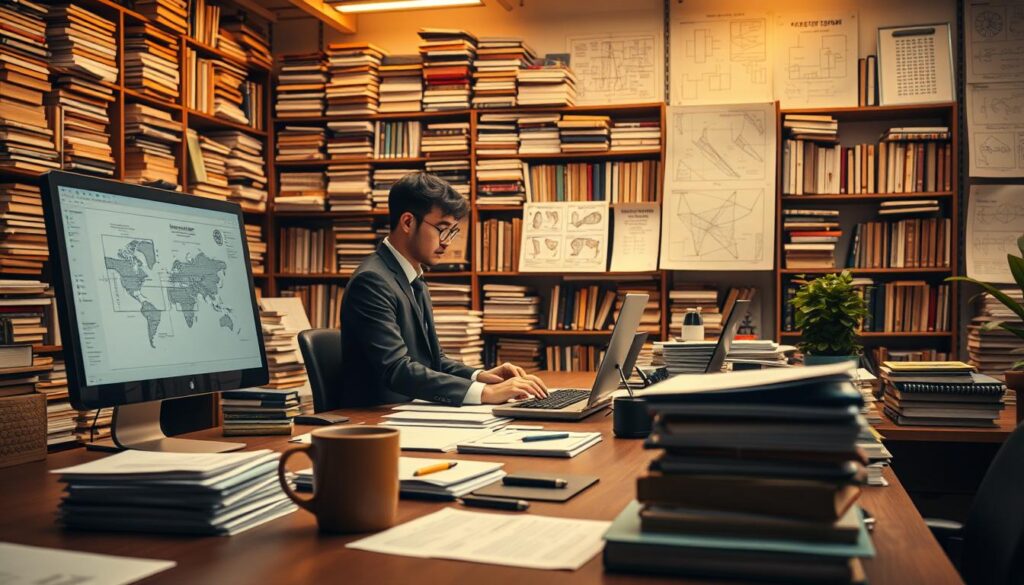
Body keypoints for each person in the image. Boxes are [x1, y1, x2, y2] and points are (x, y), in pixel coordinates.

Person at [338, 172, 548, 408]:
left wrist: (481, 376)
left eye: (452, 231)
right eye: (442, 228)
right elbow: (397, 369)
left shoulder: (412, 276)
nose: (447, 241)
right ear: (408, 222)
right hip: (376, 421)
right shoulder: (372, 281)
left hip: (409, 411)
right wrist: (486, 393)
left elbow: (433, 360)